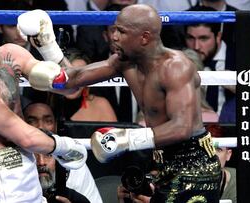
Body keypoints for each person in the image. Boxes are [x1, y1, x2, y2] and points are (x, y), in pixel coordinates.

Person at [17, 4, 221, 202]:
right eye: (114, 30)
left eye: (121, 32)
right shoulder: (124, 61)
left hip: (196, 167)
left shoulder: (176, 67)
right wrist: (48, 46)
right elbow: (71, 82)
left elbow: (182, 128)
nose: (114, 36)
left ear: (144, 37)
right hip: (163, 163)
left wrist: (126, 139)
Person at [0, 9, 87, 203]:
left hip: (26, 169)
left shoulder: (10, 55)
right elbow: (26, 138)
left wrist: (49, 48)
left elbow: (70, 89)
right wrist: (64, 146)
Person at [23, 102, 103, 203]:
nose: (40, 127)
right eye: (31, 121)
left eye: (48, 121)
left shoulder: (74, 163)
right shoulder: (13, 165)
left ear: (56, 126)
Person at [184, 15, 236, 117]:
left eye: (203, 38)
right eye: (191, 38)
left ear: (218, 37)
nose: (196, 46)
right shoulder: (178, 60)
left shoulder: (241, 57)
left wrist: (244, 88)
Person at [207, 124, 237, 203]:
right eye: (207, 150)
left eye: (218, 149)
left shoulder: (239, 181)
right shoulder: (186, 180)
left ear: (228, 154)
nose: (213, 155)